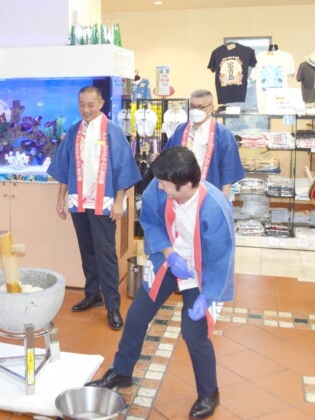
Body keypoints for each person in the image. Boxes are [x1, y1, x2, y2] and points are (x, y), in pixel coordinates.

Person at [86, 147, 235, 419]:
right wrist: (169, 253)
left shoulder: (215, 207)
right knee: (137, 315)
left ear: (185, 184)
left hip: (201, 272)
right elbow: (151, 222)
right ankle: (121, 372)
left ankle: (209, 393)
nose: (160, 188)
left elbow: (220, 257)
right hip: (169, 260)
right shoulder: (159, 186)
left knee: (193, 332)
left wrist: (207, 296)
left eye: (166, 186)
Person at [47, 86, 141, 330]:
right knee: (87, 251)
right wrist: (61, 198)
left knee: (105, 253)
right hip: (78, 201)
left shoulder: (113, 131)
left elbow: (122, 168)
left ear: (101, 103)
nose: (86, 109)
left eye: (90, 104)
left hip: (104, 202)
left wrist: (119, 201)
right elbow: (64, 167)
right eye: (82, 104)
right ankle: (92, 294)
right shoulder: (73, 131)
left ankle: (112, 305)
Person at [163, 89, 245, 197]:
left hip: (210, 191)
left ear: (211, 108)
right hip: (181, 192)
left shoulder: (223, 134)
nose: (195, 110)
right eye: (192, 106)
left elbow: (228, 170)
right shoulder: (180, 130)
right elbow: (168, 158)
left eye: (200, 107)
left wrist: (224, 199)